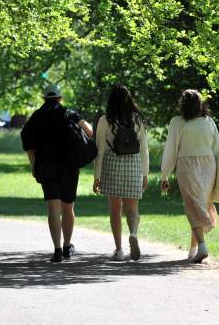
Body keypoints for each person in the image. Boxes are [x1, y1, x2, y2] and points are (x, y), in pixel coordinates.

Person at [21, 84, 94, 263]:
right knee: (68, 207)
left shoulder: (37, 116)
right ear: (60, 98)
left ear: (44, 98)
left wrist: (33, 165)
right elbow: (90, 132)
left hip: (46, 166)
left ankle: (57, 250)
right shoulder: (69, 113)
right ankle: (68, 246)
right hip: (69, 166)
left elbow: (28, 143)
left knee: (53, 207)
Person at [160, 89, 219, 263]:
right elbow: (217, 148)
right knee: (199, 204)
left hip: (186, 166)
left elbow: (170, 150)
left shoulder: (177, 122)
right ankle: (193, 250)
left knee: (192, 205)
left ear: (183, 104)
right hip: (209, 165)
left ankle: (201, 247)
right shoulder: (208, 122)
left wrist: (165, 175)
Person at [92, 85, 149, 261]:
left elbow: (99, 150)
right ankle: (133, 233)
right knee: (132, 208)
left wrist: (97, 177)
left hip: (111, 164)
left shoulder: (105, 120)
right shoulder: (137, 119)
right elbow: (144, 149)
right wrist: (145, 174)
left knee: (115, 210)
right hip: (133, 164)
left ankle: (119, 250)